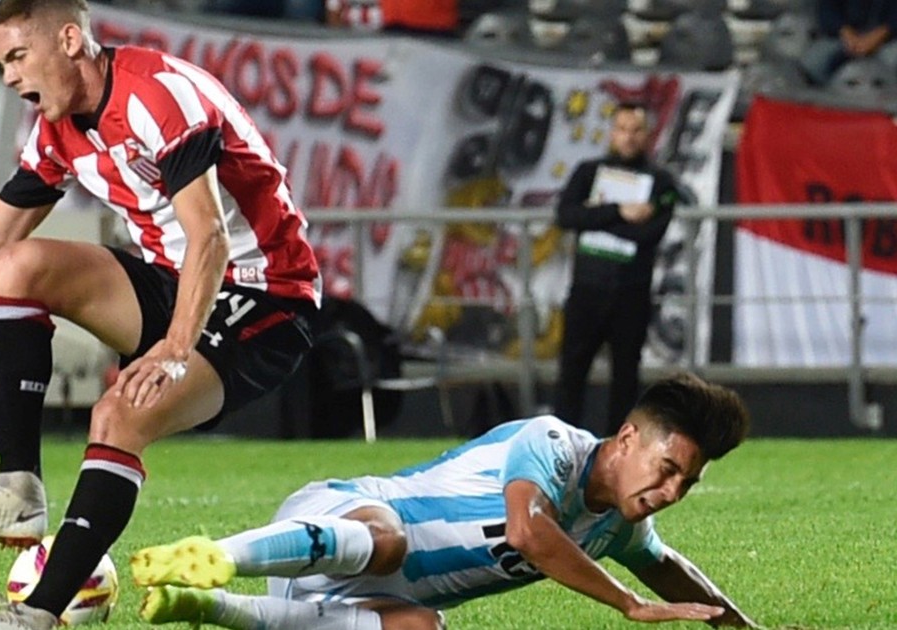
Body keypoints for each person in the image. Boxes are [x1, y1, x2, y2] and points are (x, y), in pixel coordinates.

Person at [0, 0, 320, 626]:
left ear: (69, 40)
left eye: (18, 57)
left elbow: (211, 236)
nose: (11, 77)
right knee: (17, 264)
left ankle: (36, 615)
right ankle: (17, 487)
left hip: (266, 294)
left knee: (117, 414)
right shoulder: (58, 130)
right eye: (2, 65)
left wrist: (175, 350)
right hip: (174, 280)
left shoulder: (159, 95)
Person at [131, 373, 758, 630]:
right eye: (668, 469)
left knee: (425, 628)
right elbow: (528, 531)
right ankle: (217, 556)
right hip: (333, 523)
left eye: (687, 483)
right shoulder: (552, 445)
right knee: (390, 541)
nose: (671, 493)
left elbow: (669, 567)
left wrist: (743, 627)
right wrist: (627, 603)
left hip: (352, 603)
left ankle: (204, 604)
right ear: (626, 439)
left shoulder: (618, 524)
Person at [553, 102, 680, 438]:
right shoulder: (588, 172)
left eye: (636, 130)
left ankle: (620, 448)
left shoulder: (661, 181)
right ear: (611, 132)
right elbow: (566, 215)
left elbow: (650, 234)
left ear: (648, 135)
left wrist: (597, 217)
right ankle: (561, 446)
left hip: (632, 291)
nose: (628, 137)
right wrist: (619, 211)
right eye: (622, 129)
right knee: (571, 372)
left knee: (626, 377)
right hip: (587, 288)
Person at [800, 0, 897, 86]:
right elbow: (826, 11)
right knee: (813, 62)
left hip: (887, 40)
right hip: (842, 38)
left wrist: (880, 35)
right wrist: (846, 33)